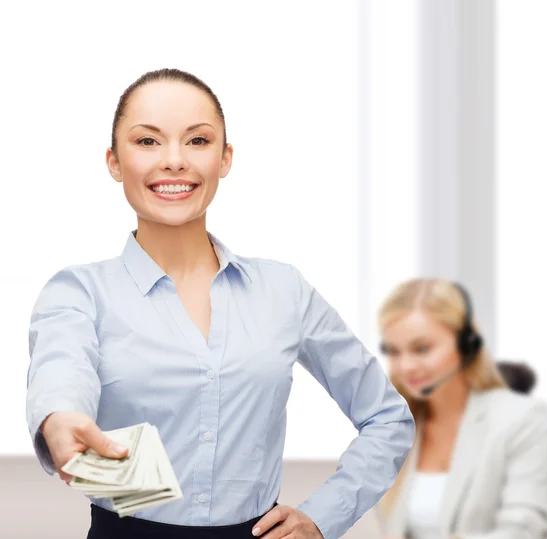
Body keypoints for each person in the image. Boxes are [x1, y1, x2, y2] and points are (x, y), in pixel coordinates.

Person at [26, 68, 415, 539]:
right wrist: (60, 418)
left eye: (197, 141)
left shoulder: (283, 290)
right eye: (147, 142)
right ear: (113, 162)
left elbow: (388, 418)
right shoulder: (80, 292)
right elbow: (62, 370)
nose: (173, 161)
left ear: (224, 158)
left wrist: (324, 515)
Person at [374, 278, 547, 538]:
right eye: (394, 351)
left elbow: (524, 530)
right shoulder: (398, 428)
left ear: (466, 346)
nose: (406, 366)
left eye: (422, 349)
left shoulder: (521, 418)